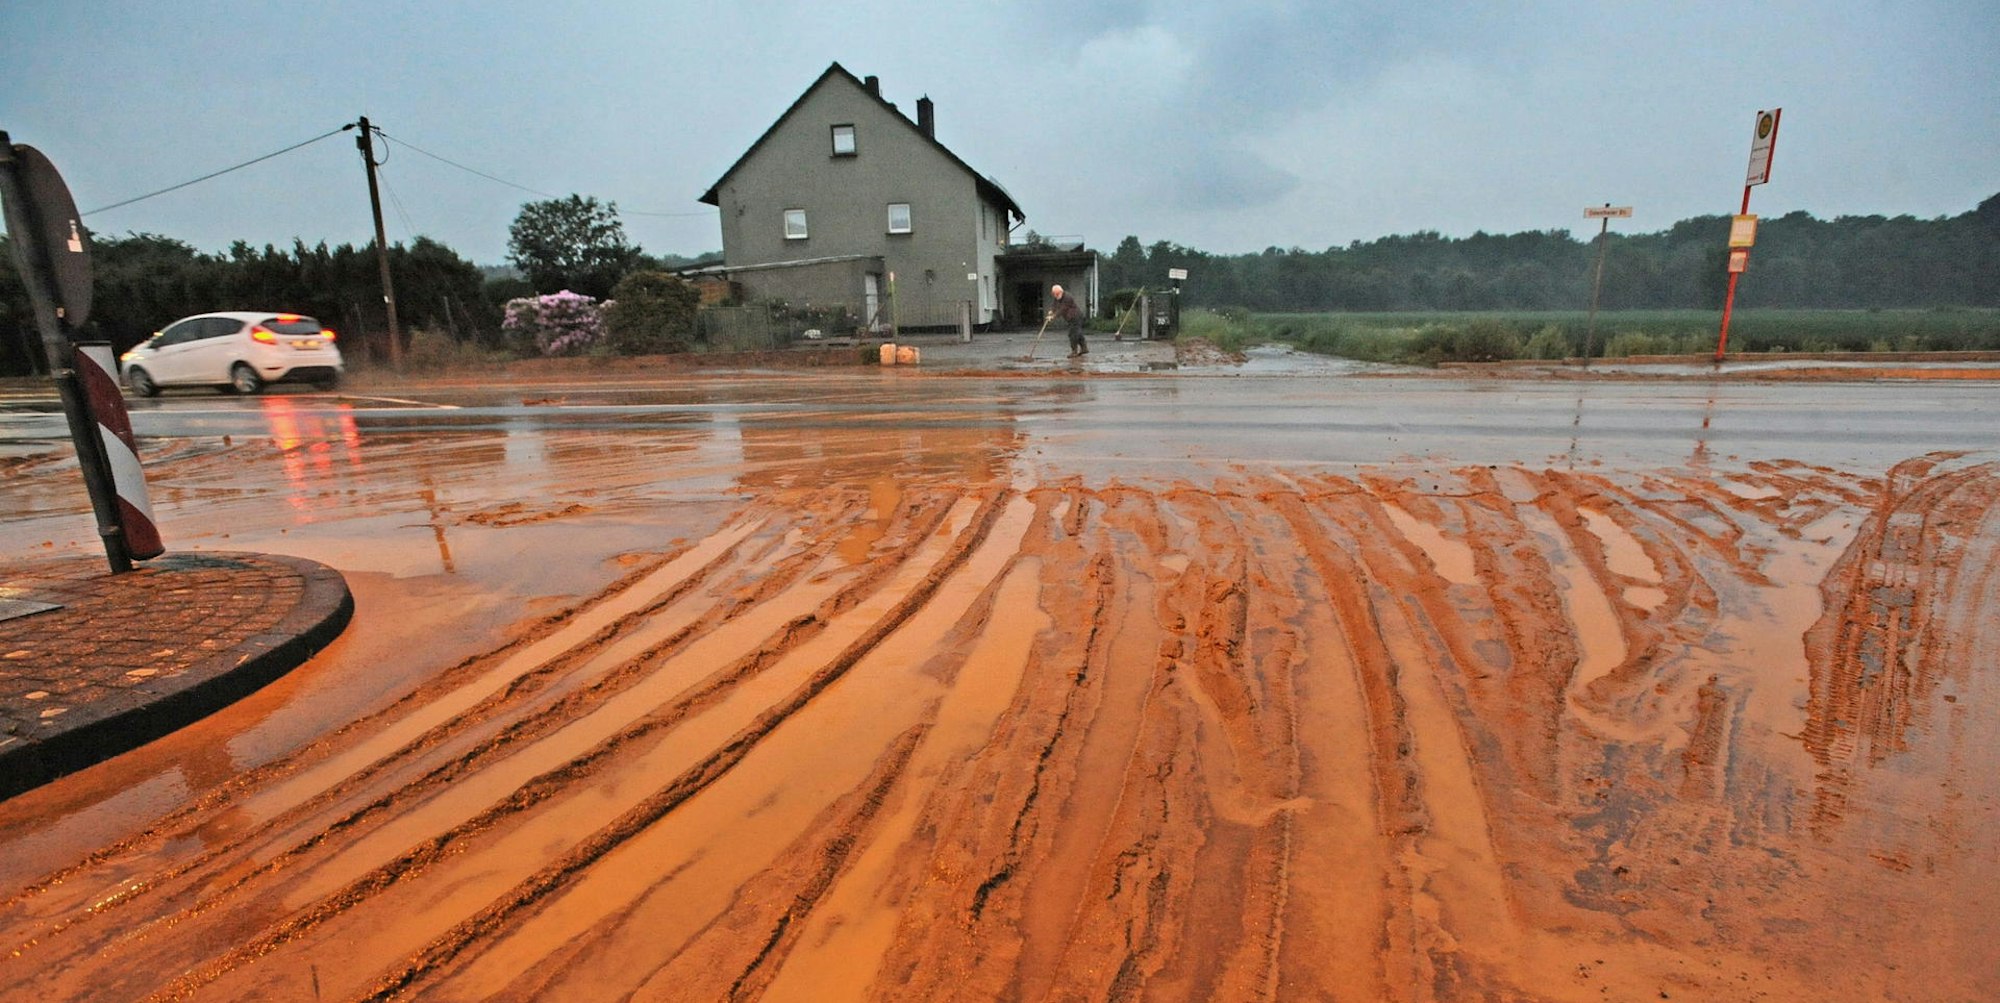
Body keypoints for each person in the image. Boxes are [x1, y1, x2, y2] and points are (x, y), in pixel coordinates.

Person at [1049, 284, 1086, 358]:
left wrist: (1054, 316)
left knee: (1073, 334)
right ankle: (1084, 348)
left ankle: (1074, 352)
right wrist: (1051, 311)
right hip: (1070, 318)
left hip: (1075, 317)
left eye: (1055, 294)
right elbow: (1054, 304)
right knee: (1077, 333)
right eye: (1054, 294)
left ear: (1059, 292)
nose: (1055, 295)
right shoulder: (1057, 297)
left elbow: (1062, 309)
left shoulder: (1067, 297)